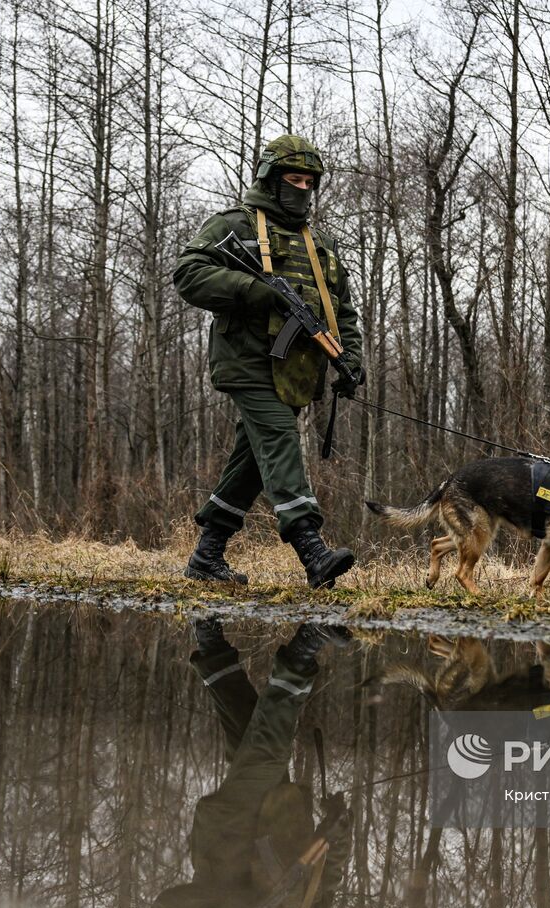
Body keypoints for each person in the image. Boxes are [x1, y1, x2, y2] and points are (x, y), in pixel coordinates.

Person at [173, 134, 364, 589]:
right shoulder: (235, 225)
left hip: (297, 370)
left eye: (308, 181)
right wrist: (252, 291)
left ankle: (207, 555)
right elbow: (188, 272)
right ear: (271, 179)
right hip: (247, 362)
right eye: (292, 179)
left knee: (253, 460)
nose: (301, 188)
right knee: (279, 439)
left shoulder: (319, 244)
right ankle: (311, 549)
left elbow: (342, 308)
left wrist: (350, 357)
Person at [149, 618, 351, 908]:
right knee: (247, 727)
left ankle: (302, 651)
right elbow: (325, 885)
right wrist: (338, 832)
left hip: (230, 830)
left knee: (269, 750)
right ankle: (209, 639)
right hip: (279, 817)